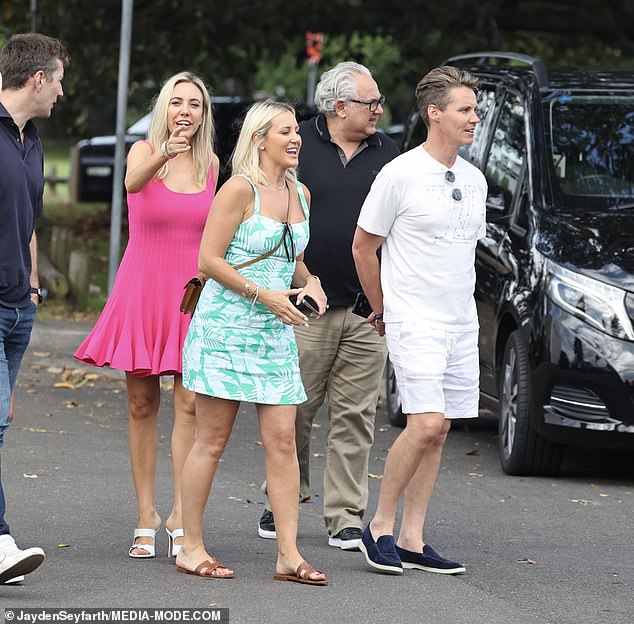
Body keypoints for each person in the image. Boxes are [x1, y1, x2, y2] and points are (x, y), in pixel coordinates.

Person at [176, 99, 328, 584]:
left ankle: (288, 554)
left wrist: (312, 282)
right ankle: (190, 546)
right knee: (212, 440)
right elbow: (209, 260)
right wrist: (264, 295)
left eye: (297, 131)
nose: (296, 138)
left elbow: (292, 257)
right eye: (285, 131)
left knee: (283, 441)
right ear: (260, 139)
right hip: (225, 329)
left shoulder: (300, 192)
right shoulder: (238, 188)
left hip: (274, 330)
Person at [74, 72, 219, 559]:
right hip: (143, 289)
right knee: (141, 405)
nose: (185, 111)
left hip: (191, 297)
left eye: (194, 104)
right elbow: (132, 183)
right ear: (164, 108)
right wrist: (166, 151)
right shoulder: (144, 152)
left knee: (190, 406)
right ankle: (146, 514)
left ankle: (181, 513)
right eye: (176, 102)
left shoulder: (213, 165)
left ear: (204, 113)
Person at [258, 61, 399, 551]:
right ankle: (283, 500)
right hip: (304, 303)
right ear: (340, 106)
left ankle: (345, 515)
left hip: (367, 309)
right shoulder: (296, 143)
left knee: (357, 415)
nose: (380, 109)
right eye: (371, 101)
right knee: (293, 410)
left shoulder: (389, 153)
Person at [352, 65, 486, 575]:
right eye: (465, 110)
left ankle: (412, 537)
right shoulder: (399, 173)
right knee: (424, 422)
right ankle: (379, 526)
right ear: (435, 114)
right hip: (414, 319)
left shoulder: (474, 180)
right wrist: (382, 309)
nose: (474, 118)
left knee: (441, 428)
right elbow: (364, 247)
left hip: (460, 321)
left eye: (474, 109)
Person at [0, 32, 68, 585]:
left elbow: (28, 221)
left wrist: (31, 290)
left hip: (18, 308)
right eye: (60, 80)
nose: (62, 93)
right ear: (38, 78)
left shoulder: (32, 139)